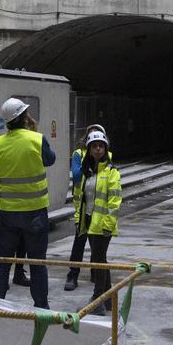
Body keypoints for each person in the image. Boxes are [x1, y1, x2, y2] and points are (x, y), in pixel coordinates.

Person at [0, 97, 56, 308]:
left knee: (3, 262)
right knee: (37, 263)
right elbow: (50, 159)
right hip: (35, 212)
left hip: (8, 212)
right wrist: (35, 131)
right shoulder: (36, 139)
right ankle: (41, 307)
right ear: (25, 117)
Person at [72, 130, 121, 316]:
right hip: (89, 222)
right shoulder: (87, 171)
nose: (98, 149)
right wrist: (79, 220)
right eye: (94, 146)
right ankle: (107, 300)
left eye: (101, 146)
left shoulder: (111, 172)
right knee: (100, 260)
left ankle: (97, 300)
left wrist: (108, 224)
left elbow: (114, 201)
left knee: (98, 260)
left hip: (103, 225)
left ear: (105, 148)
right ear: (89, 149)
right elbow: (80, 198)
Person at [65, 123, 107, 291]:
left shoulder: (106, 156)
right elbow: (76, 176)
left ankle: (95, 273)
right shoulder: (78, 154)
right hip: (82, 207)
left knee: (97, 244)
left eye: (99, 141)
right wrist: (87, 161)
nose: (96, 146)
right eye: (91, 138)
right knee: (79, 241)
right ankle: (72, 275)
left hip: (98, 208)